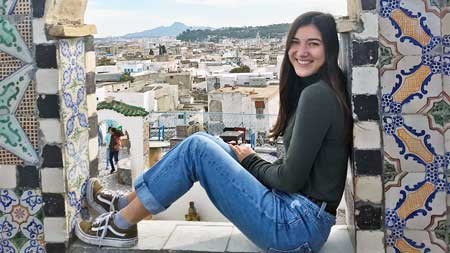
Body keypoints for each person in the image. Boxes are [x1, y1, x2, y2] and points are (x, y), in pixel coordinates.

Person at [75, 11, 351, 252]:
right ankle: (122, 203)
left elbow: (289, 179)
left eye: (312, 44)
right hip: (300, 220)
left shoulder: (318, 95)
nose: (301, 51)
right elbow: (297, 172)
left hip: (296, 228)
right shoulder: (323, 88)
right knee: (205, 140)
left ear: (329, 49)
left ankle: (120, 225)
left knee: (198, 149)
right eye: (295, 42)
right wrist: (248, 158)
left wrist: (250, 159)